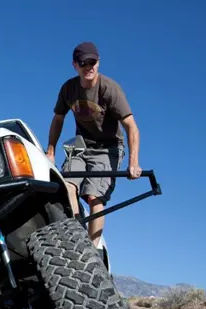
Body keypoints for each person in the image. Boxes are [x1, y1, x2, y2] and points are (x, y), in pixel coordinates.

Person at [45, 41, 142, 248]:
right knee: (68, 187)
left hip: (109, 149)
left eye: (93, 62)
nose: (89, 67)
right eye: (84, 63)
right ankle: (78, 237)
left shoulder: (110, 89)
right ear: (75, 65)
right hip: (81, 147)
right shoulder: (69, 89)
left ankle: (92, 248)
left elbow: (131, 127)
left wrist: (133, 162)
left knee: (94, 196)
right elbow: (58, 119)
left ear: (98, 62)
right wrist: (50, 152)